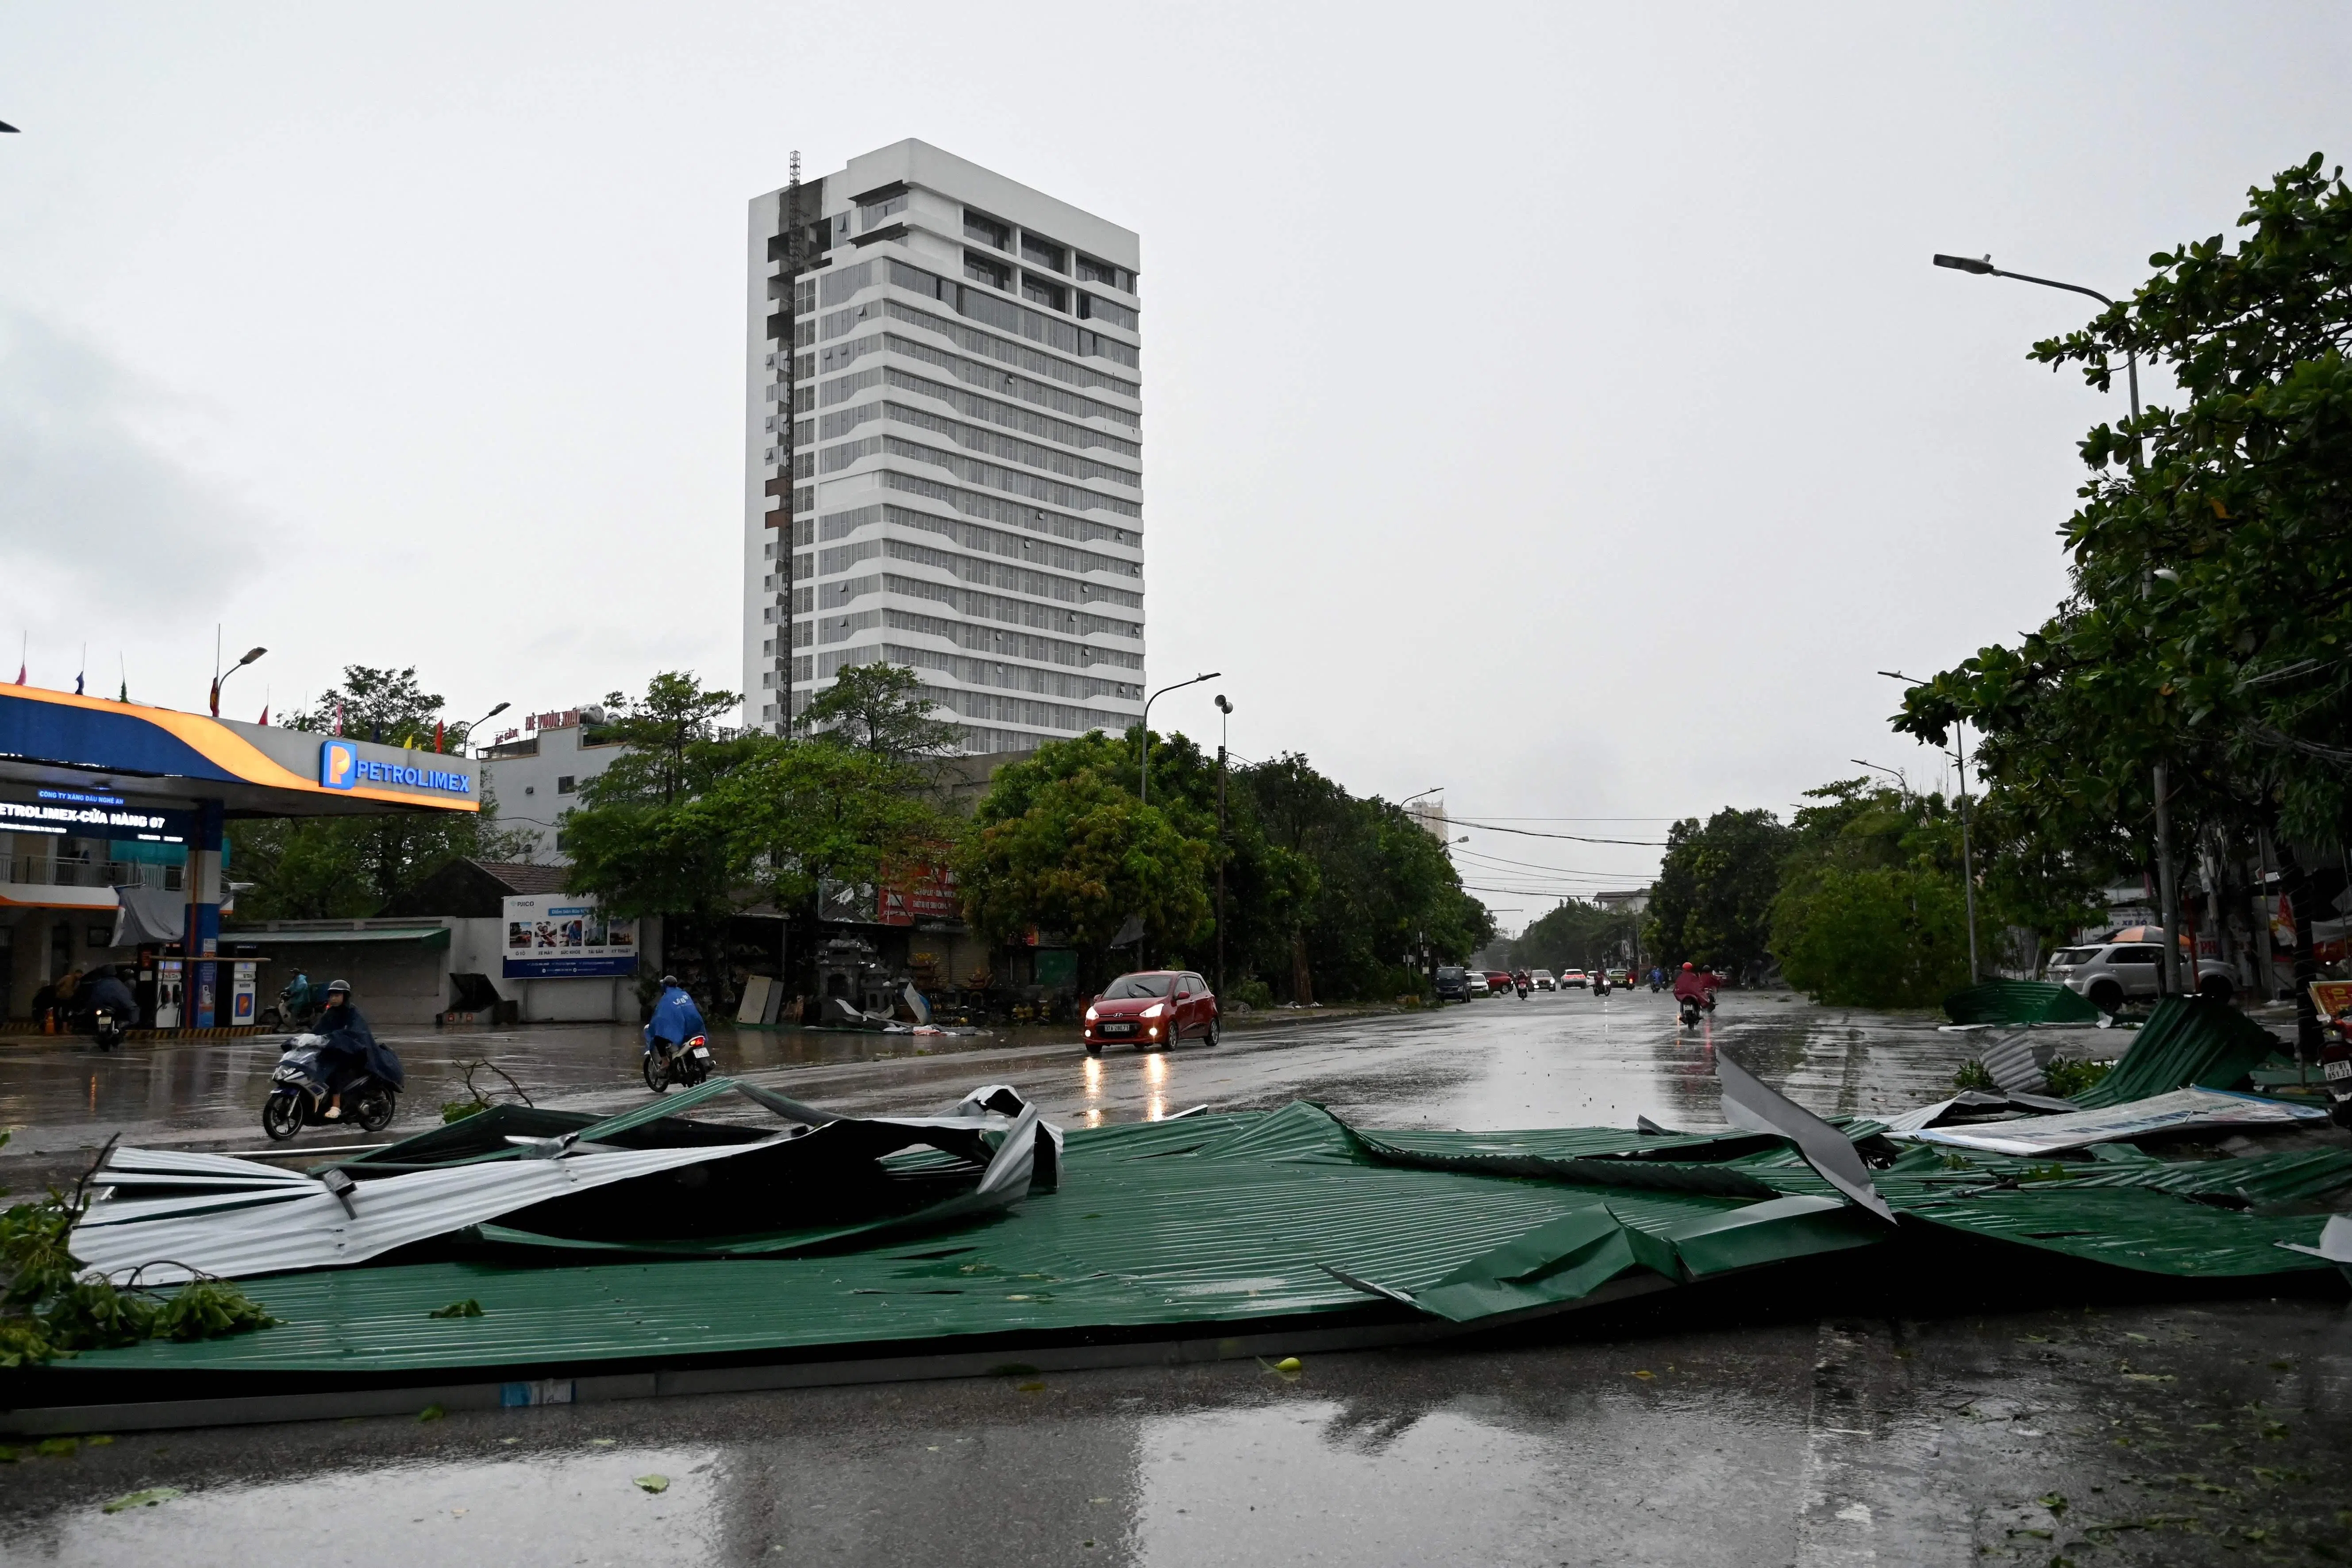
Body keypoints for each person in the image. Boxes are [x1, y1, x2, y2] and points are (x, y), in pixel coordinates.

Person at [312, 980, 402, 1118]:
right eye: (332, 996)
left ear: (345, 996)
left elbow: (358, 1032)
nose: (334, 998)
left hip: (356, 1052)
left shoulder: (353, 1013)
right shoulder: (330, 1014)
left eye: (337, 995)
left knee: (334, 1069)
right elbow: (318, 1030)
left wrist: (339, 1036)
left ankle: (336, 1106)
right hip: (337, 1049)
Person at [644, 975, 706, 1063]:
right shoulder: (684, 994)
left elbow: (659, 1016)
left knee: (658, 1038)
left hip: (681, 1028)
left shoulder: (667, 999)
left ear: (665, 986)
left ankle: (665, 1062)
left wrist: (655, 1025)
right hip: (695, 1027)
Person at [84, 964, 140, 1033]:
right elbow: (127, 998)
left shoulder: (98, 983)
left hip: (99, 1006)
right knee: (134, 1010)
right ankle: (122, 1025)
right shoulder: (119, 983)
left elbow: (90, 996)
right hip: (117, 1005)